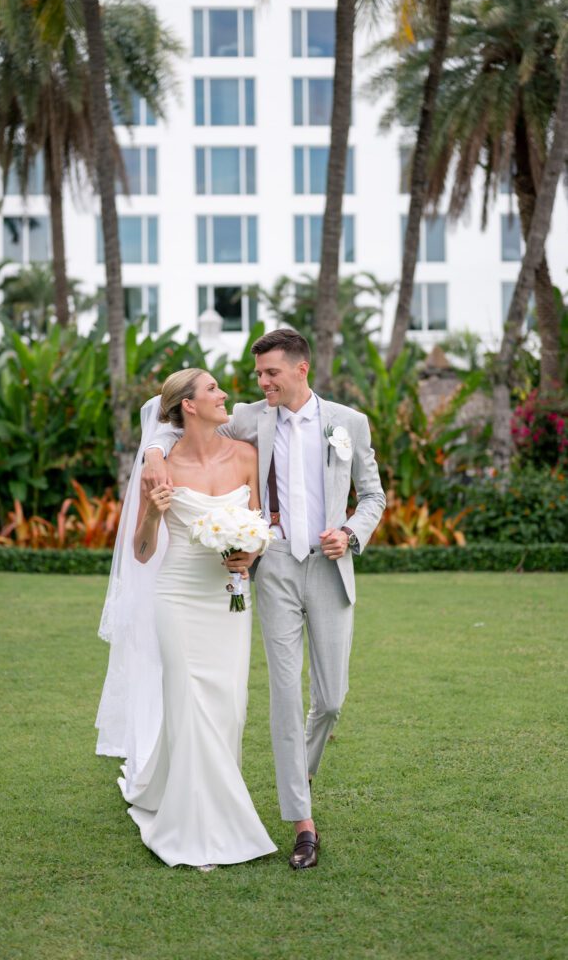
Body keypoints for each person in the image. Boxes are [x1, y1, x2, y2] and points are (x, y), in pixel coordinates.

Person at [143, 329, 386, 869]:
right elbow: (177, 422)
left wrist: (349, 532)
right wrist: (156, 453)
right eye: (258, 375)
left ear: (301, 369)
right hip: (272, 569)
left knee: (332, 699)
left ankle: (298, 770)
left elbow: (373, 495)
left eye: (270, 372)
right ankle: (302, 823)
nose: (261, 382)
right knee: (283, 693)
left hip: (329, 569)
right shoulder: (253, 417)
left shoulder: (349, 423)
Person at [96, 368, 277, 869]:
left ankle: (212, 807)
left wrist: (250, 550)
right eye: (214, 389)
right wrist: (153, 513)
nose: (225, 395)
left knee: (230, 706)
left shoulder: (246, 455)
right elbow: (140, 549)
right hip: (176, 597)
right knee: (188, 704)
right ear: (189, 406)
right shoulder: (162, 467)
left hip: (228, 597)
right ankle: (197, 828)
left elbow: (261, 525)